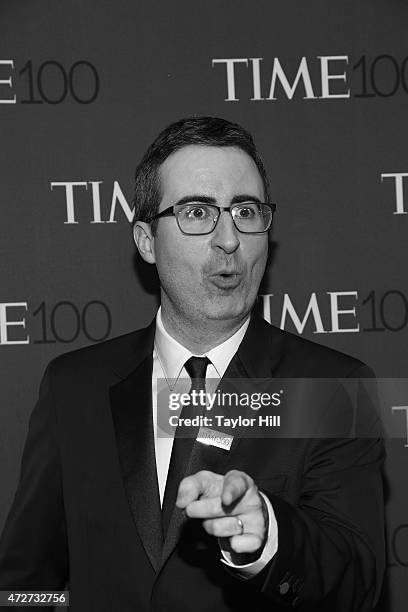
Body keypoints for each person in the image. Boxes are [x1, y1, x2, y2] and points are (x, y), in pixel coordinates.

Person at [0, 117, 385, 611]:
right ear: (146, 240)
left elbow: (358, 584)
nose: (229, 239)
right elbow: (27, 584)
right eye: (198, 212)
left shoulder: (332, 388)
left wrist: (268, 538)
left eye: (246, 211)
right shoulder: (74, 386)